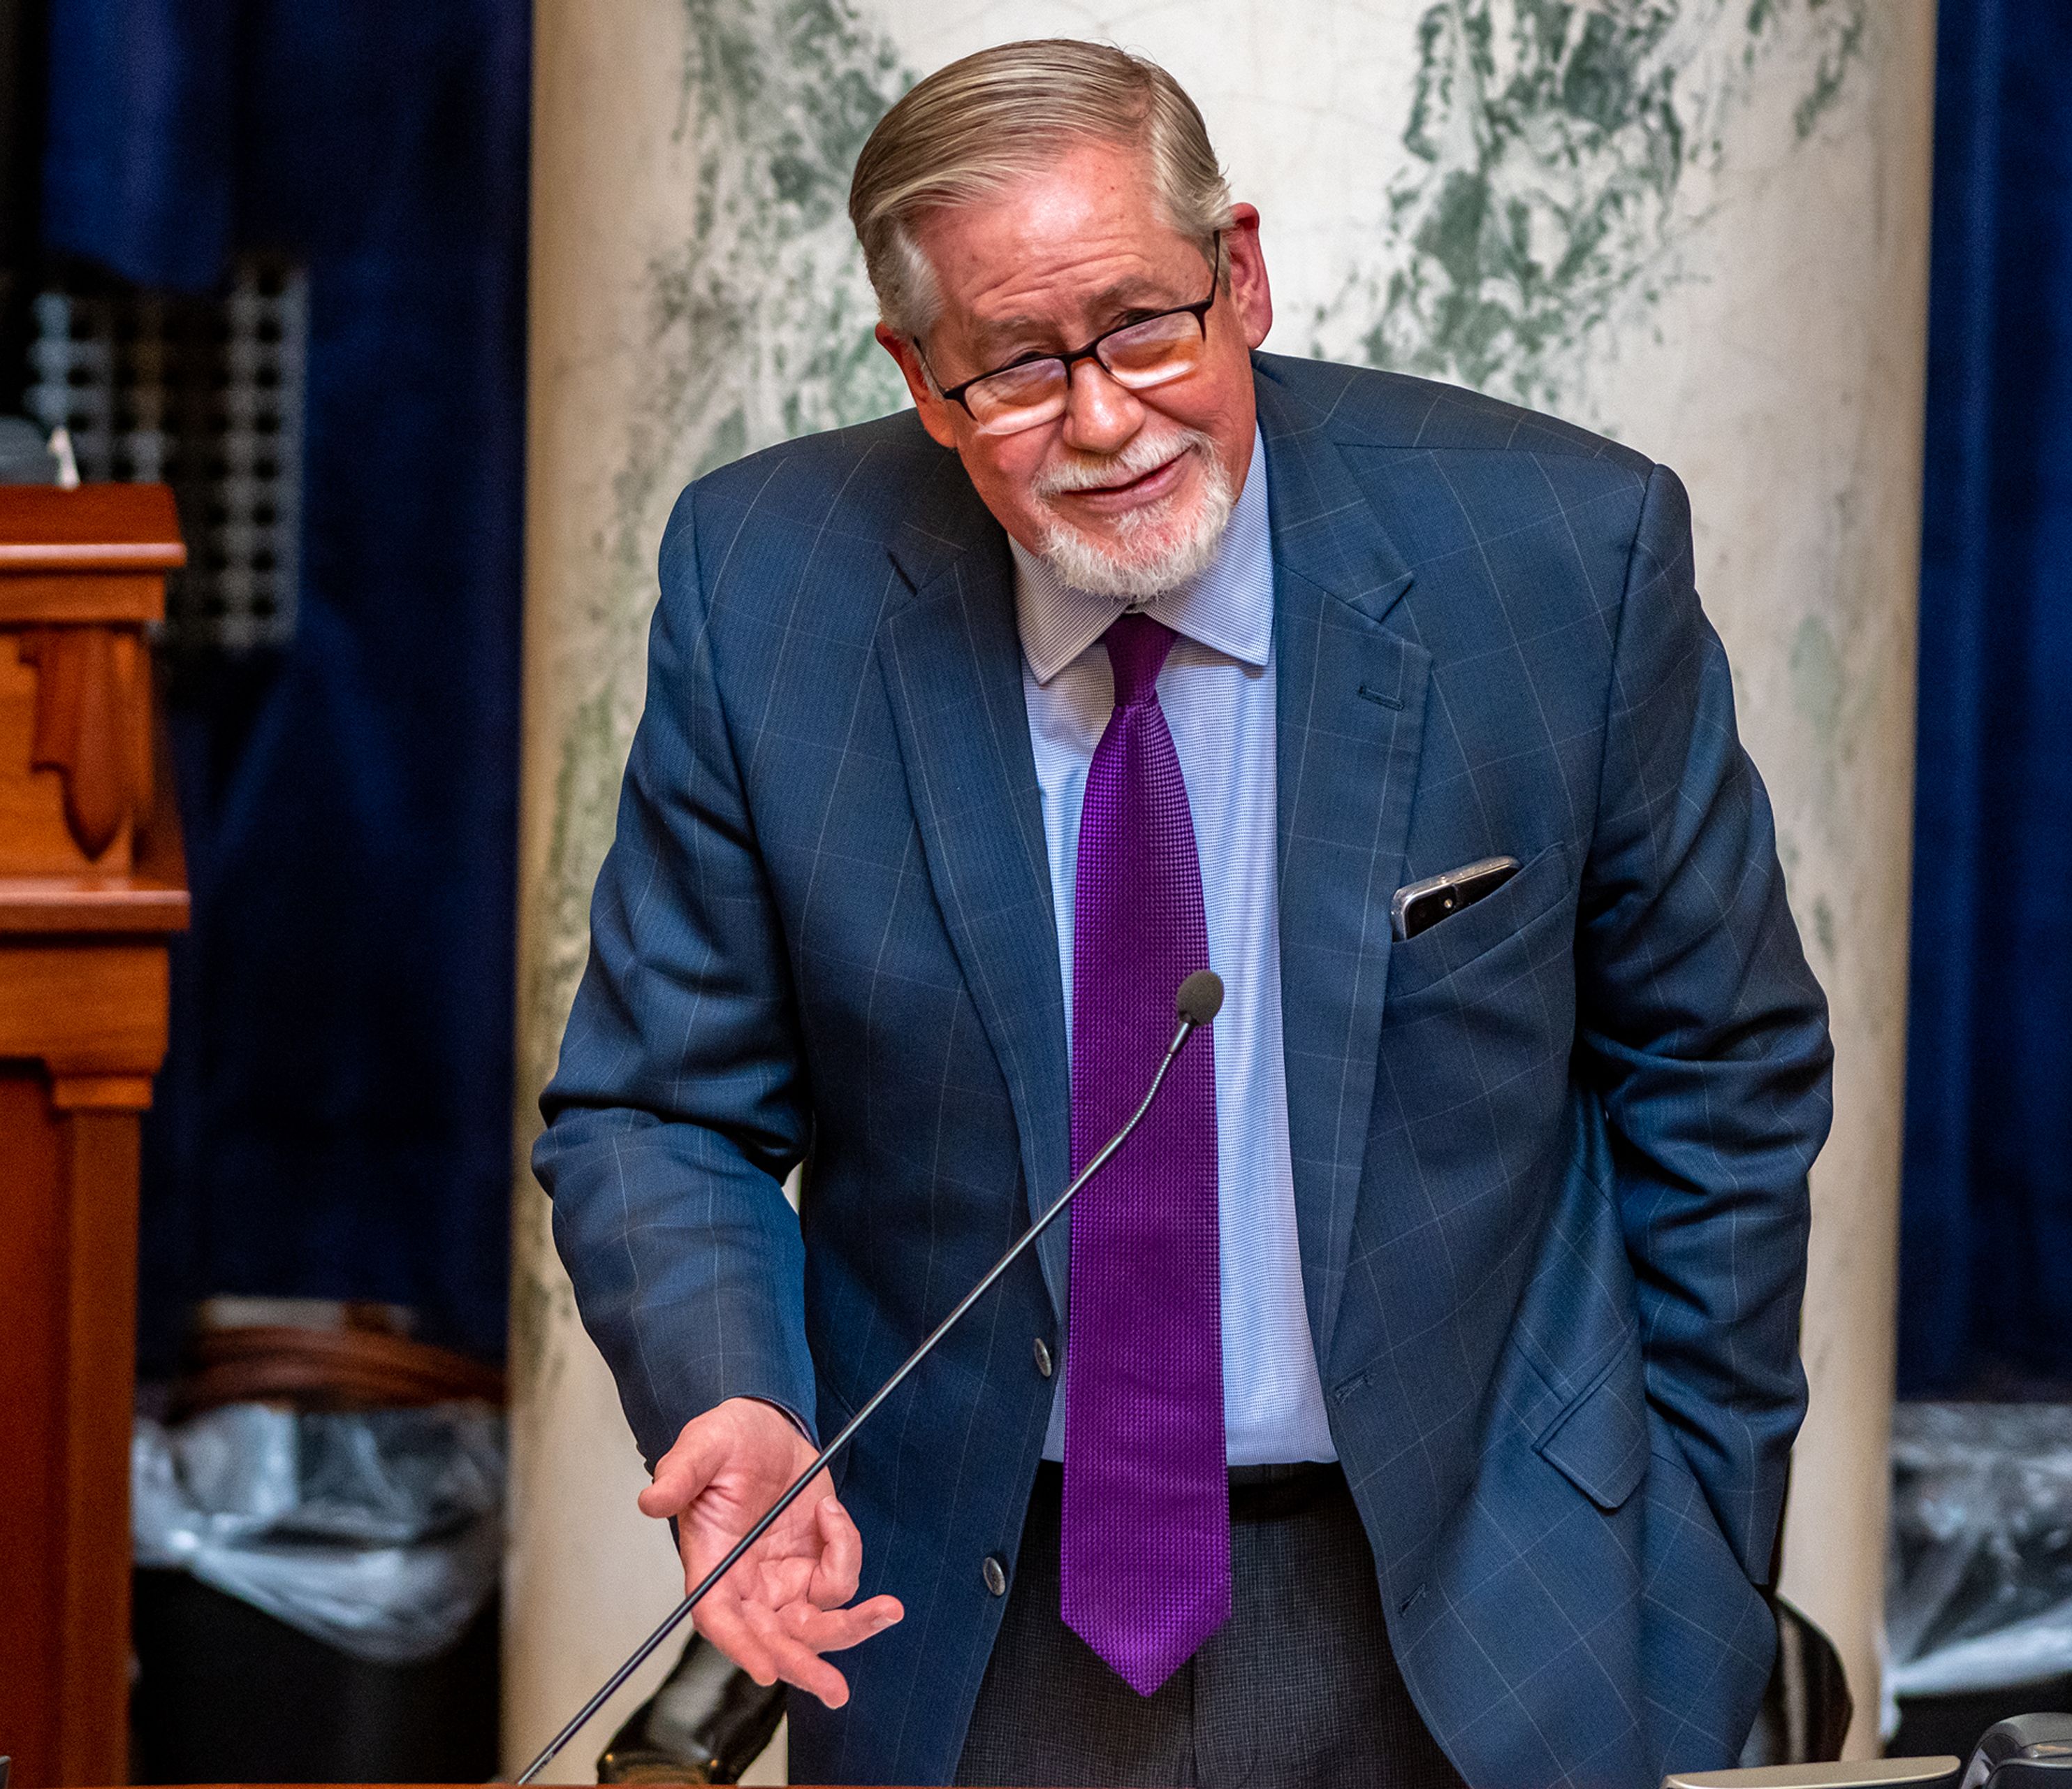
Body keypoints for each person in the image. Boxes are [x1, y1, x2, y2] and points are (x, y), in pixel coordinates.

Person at [535, 37, 1832, 1789]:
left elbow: (1722, 1066)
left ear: (1244, 273)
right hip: (972, 1614)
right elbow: (658, 1104)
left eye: (1147, 325)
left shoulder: (1559, 558)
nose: (1101, 418)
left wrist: (1692, 1555)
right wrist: (733, 1396)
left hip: (1479, 1599)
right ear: (918, 378)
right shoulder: (770, 588)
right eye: (1012, 366)